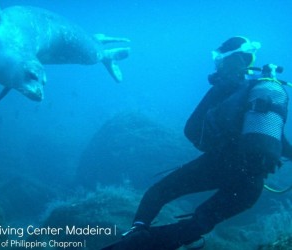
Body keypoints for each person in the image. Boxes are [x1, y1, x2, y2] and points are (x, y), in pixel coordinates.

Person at [102, 36, 292, 250]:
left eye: (218, 58)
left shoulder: (225, 88)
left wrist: (216, 145)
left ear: (231, 59)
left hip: (220, 164)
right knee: (199, 223)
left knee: (158, 192)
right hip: (252, 184)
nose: (216, 64)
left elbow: (191, 129)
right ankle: (152, 242)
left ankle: (137, 234)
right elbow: (280, 144)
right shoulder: (261, 94)